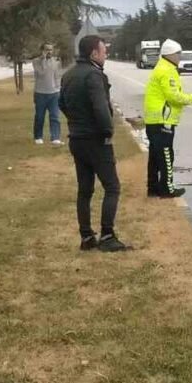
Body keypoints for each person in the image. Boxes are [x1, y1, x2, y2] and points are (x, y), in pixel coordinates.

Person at [59, 35, 128, 252]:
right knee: (112, 187)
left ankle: (87, 236)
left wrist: (76, 122)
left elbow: (62, 103)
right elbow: (101, 108)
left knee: (84, 189)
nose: (106, 54)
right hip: (96, 140)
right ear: (93, 53)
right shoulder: (94, 75)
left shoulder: (68, 74)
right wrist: (107, 131)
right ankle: (107, 235)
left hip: (77, 138)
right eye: (103, 51)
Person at [143, 39, 192, 198]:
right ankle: (167, 189)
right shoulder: (167, 70)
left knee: (155, 156)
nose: (180, 57)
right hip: (164, 121)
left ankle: (153, 187)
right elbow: (173, 96)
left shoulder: (160, 67)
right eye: (178, 53)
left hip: (154, 121)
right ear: (170, 54)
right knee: (167, 155)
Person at [32, 43, 64, 146]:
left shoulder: (55, 62)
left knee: (55, 116)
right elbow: (41, 73)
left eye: (51, 49)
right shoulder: (36, 61)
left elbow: (57, 76)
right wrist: (44, 60)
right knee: (40, 116)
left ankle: (55, 137)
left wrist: (58, 89)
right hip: (40, 93)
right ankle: (38, 136)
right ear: (42, 50)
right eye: (47, 49)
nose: (49, 52)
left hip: (53, 93)